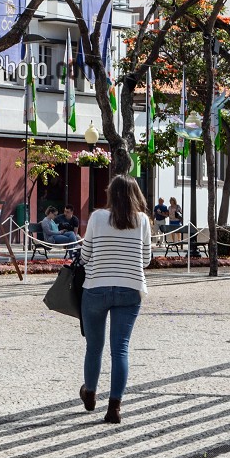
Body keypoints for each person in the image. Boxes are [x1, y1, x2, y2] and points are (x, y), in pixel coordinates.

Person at [77, 174, 152, 424]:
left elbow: (85, 254)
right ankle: (114, 408)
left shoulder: (98, 217)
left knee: (94, 347)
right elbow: (147, 259)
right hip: (130, 289)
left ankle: (90, 392)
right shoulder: (142, 220)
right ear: (135, 194)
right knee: (120, 349)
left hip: (96, 288)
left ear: (111, 193)